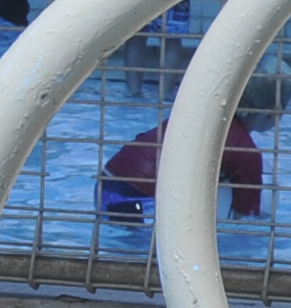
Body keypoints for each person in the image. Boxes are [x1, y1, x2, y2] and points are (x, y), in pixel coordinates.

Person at [98, 91, 270, 222]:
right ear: (268, 114)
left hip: (105, 184)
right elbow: (245, 215)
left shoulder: (196, 116)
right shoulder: (246, 151)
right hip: (143, 202)